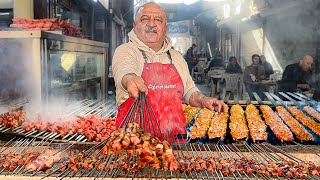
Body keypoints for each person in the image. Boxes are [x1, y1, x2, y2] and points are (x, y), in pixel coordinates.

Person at [112, 2, 227, 141]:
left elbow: (189, 91)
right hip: (135, 144)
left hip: (176, 144)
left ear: (165, 28)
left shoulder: (176, 57)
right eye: (144, 19)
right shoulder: (126, 51)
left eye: (158, 20)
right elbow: (125, 70)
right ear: (135, 26)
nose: (151, 24)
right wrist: (130, 79)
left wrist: (203, 100)